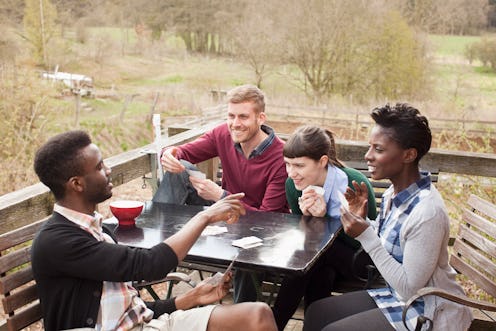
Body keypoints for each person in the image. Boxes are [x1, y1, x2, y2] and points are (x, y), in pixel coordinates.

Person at [31, 130, 278, 331]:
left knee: (258, 315)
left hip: (148, 325)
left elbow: (132, 311)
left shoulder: (98, 229)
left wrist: (191, 298)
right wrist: (205, 216)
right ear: (77, 184)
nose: (108, 171)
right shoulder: (57, 240)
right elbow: (150, 264)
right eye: (99, 167)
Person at [303, 104, 473, 331]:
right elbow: (396, 243)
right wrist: (365, 220)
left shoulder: (427, 212)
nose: (368, 156)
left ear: (409, 155)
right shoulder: (396, 193)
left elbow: (409, 288)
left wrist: (366, 234)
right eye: (369, 147)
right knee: (318, 311)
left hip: (428, 309)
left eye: (379, 149)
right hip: (398, 297)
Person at [153, 84, 289, 303]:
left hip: (261, 234)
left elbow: (268, 219)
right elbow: (183, 152)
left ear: (260, 118)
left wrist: (221, 196)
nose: (235, 124)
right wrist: (169, 154)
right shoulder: (222, 134)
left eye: (243, 117)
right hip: (223, 218)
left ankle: (243, 318)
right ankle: (156, 255)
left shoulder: (281, 157)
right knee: (180, 171)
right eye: (231, 116)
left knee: (245, 259)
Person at [271, 125, 378, 330]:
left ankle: (273, 324)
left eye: (299, 166)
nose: (292, 173)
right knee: (320, 272)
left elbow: (369, 240)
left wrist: (324, 220)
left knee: (312, 258)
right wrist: (308, 220)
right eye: (287, 165)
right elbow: (303, 237)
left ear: (322, 161)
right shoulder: (293, 186)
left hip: (361, 260)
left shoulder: (354, 183)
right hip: (320, 260)